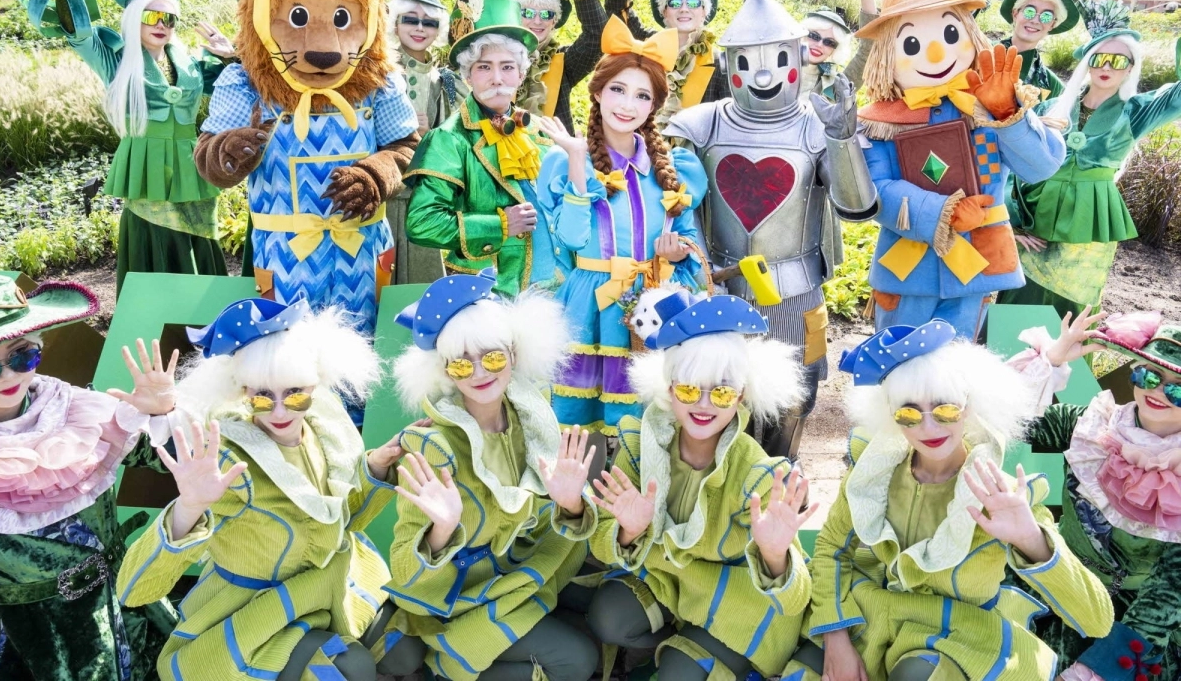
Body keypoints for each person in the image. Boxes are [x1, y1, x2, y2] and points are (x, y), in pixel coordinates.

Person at [786, 318, 1114, 681]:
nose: (928, 427)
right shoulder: (873, 472)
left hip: (957, 636)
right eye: (908, 413)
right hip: (874, 618)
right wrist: (835, 638)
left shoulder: (999, 494)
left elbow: (1097, 620)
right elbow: (832, 548)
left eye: (945, 409)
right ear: (891, 416)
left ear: (969, 407)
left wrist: (1032, 540)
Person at [116, 297, 425, 680]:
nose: (280, 411)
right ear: (243, 391)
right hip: (261, 609)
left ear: (315, 384)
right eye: (262, 397)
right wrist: (189, 507)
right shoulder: (229, 460)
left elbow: (344, 522)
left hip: (333, 586)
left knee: (406, 654)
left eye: (295, 394)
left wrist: (376, 468)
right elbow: (134, 590)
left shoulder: (325, 426)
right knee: (349, 668)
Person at [664, 0, 876, 459]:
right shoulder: (700, 124)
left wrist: (842, 138)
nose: (764, 75)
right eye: (747, 62)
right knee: (715, 389)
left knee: (795, 389)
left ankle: (781, 474)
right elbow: (675, 199)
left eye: (779, 60)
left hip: (797, 284)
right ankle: (718, 477)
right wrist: (693, 262)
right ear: (729, 65)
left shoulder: (815, 122)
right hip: (719, 280)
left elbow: (855, 207)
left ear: (798, 60)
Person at [194, 0, 420, 353]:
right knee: (287, 356)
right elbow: (209, 156)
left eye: (342, 18)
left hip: (361, 254)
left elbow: (405, 146)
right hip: (284, 258)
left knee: (363, 353)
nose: (324, 46)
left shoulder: (378, 84)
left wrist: (376, 175)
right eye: (297, 17)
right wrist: (229, 151)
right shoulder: (246, 85)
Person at [568, 291, 815, 680]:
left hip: (734, 600)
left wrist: (774, 555)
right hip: (667, 581)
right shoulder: (639, 445)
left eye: (721, 392)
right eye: (688, 389)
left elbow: (795, 599)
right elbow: (603, 541)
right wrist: (629, 531)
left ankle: (701, 652)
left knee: (678, 675)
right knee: (609, 617)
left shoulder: (759, 473)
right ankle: (674, 638)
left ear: (740, 396)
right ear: (669, 389)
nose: (703, 404)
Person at [386, 268, 599, 681]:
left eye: (493, 357)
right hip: (461, 597)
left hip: (521, 571)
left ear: (513, 355)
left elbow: (564, 517)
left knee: (603, 605)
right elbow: (405, 571)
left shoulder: (534, 417)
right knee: (578, 661)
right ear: (445, 372)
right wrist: (441, 531)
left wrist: (572, 504)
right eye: (461, 365)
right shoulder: (432, 447)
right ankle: (445, 664)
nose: (480, 373)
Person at [0, 273, 188, 680]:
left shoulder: (79, 412)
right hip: (41, 648)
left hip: (135, 610)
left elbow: (175, 461)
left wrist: (163, 413)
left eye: (22, 356)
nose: (8, 376)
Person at [16, 0, 233, 295]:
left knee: (199, 242)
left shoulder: (190, 62)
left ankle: (203, 317)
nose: (162, 24)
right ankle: (154, 321)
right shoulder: (116, 61)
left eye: (170, 18)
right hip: (146, 171)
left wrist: (231, 56)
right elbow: (76, 28)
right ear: (135, 18)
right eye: (153, 16)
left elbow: (236, 87)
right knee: (155, 246)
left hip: (192, 170)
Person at [854, 0, 1065, 339]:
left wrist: (1009, 115)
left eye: (951, 34)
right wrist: (941, 212)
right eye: (912, 44)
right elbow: (873, 189)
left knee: (958, 362)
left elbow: (1042, 166)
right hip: (908, 270)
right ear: (887, 53)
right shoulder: (879, 120)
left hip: (979, 263)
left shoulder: (990, 103)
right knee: (898, 357)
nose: (936, 54)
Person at [537, 15, 707, 440]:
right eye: (617, 89)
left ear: (654, 106)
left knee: (646, 421)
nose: (627, 105)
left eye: (642, 95)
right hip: (588, 305)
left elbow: (689, 237)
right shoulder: (565, 162)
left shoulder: (675, 169)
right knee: (579, 425)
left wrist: (677, 252)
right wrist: (578, 161)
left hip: (652, 303)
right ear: (597, 92)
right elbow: (571, 239)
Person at [1014, 309, 1181, 679]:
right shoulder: (1091, 427)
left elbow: (1169, 593)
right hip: (1055, 581)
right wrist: (1051, 360)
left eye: (1177, 388)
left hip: (1135, 619)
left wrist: (1095, 671)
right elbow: (1004, 420)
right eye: (1149, 375)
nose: (1157, 391)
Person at [1002, 0, 1181, 320]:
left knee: (1071, 305)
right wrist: (1011, 222)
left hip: (1089, 218)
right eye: (1100, 58)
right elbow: (1014, 164)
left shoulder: (1136, 111)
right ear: (1088, 62)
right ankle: (1006, 353)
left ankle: (1064, 355)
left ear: (1131, 67)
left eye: (1118, 60)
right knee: (1019, 299)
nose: (1107, 67)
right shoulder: (1050, 107)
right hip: (1035, 214)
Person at [404, 0, 559, 296]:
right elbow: (422, 222)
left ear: (521, 74)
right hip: (488, 293)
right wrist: (500, 225)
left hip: (552, 290)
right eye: (485, 67)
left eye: (507, 67)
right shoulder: (448, 138)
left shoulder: (540, 132)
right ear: (468, 75)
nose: (497, 79)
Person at [459, 0, 607, 134]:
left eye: (546, 14)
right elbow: (460, 29)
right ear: (515, 16)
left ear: (555, 20)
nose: (537, 21)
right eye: (527, 12)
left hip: (552, 152)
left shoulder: (564, 62)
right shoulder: (492, 52)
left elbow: (599, 35)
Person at [970, 0, 1081, 102]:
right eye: (1029, 11)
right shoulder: (982, 51)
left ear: (1052, 24)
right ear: (1015, 13)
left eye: (1046, 16)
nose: (1035, 20)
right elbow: (956, 26)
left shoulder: (1052, 85)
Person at [392, 0, 460, 134]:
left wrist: (428, 134)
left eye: (429, 23)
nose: (420, 28)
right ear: (395, 25)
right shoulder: (378, 70)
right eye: (410, 20)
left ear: (438, 31)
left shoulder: (445, 82)